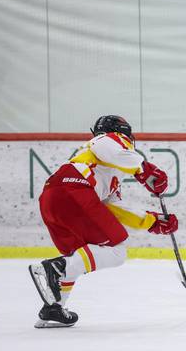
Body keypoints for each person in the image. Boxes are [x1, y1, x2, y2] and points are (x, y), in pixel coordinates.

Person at [28, 115, 178, 328]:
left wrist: (153, 221)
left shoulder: (103, 170)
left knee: (78, 256)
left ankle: (54, 308)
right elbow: (108, 145)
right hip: (74, 192)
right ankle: (56, 268)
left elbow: (112, 210)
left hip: (53, 199)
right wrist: (144, 170)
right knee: (116, 252)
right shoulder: (104, 141)